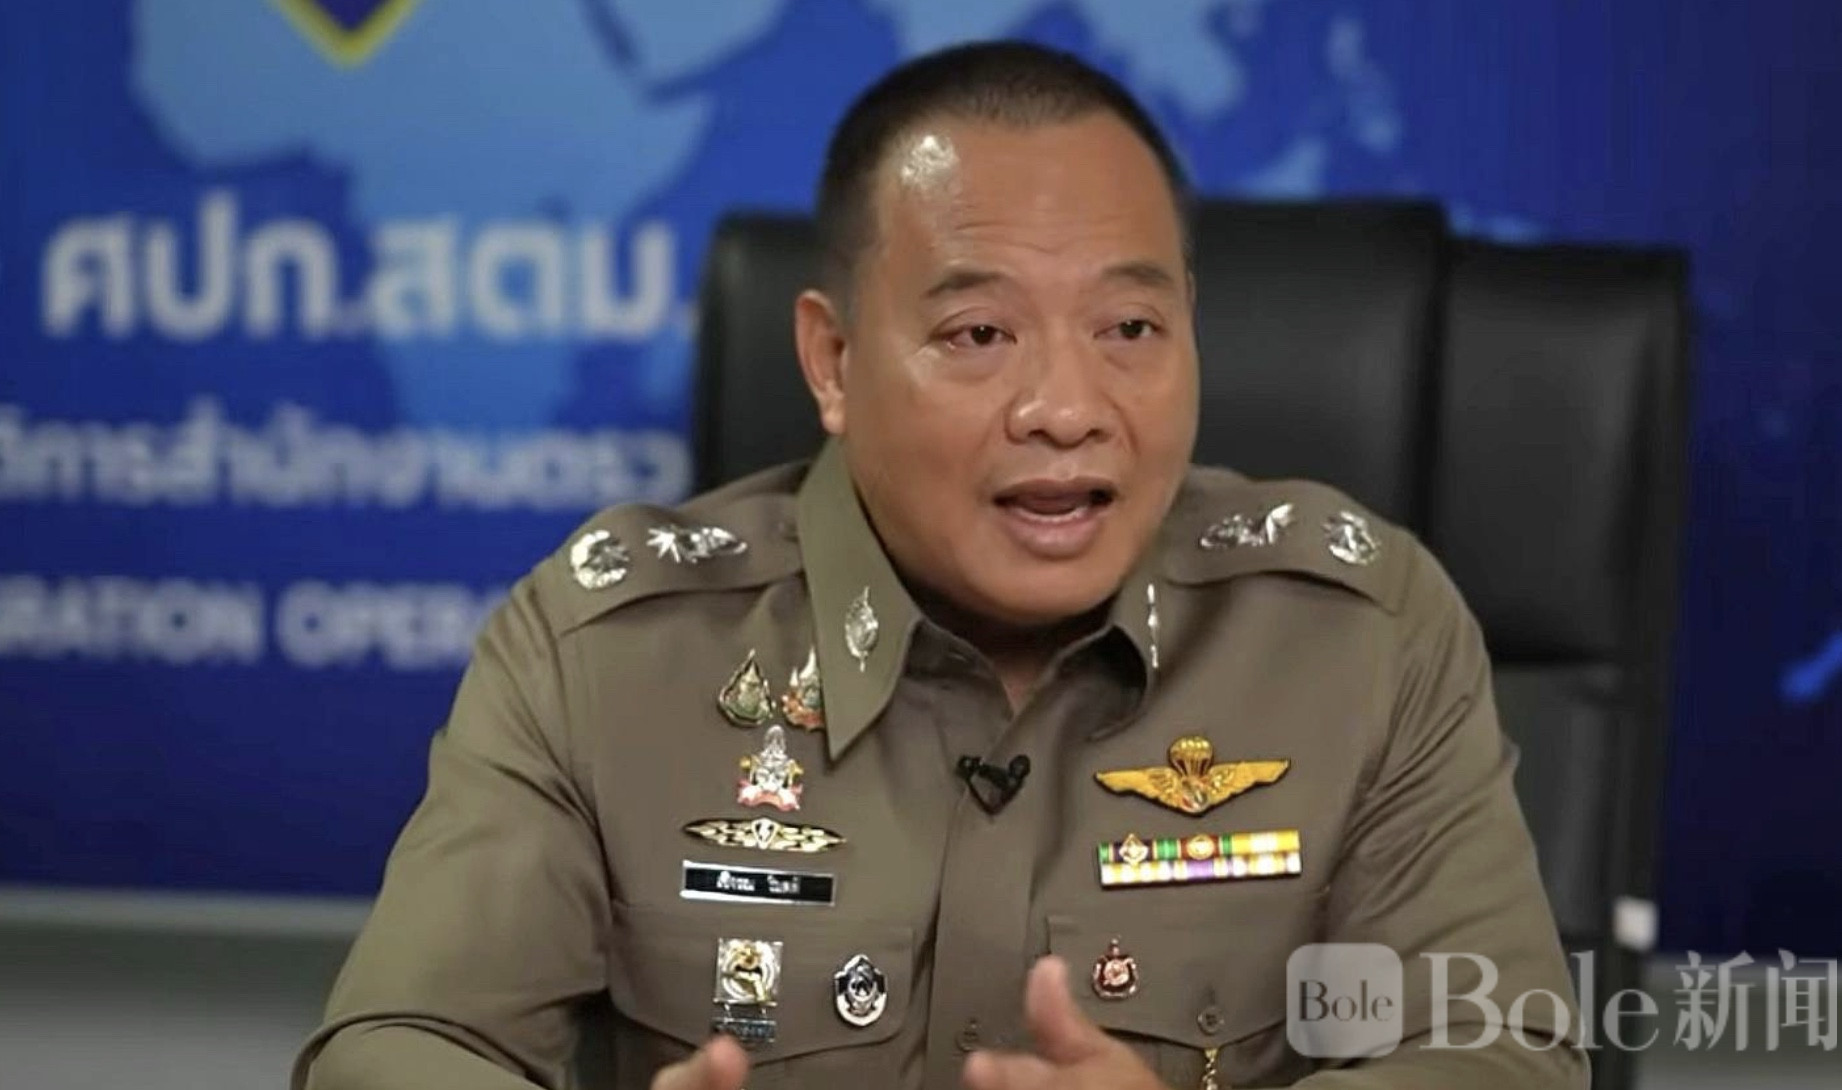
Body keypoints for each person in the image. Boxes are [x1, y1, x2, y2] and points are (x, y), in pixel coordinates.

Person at [294, 41, 1587, 1090]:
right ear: (833, 361)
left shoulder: (1360, 637)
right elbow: (396, 1042)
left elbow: (1502, 1054)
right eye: (978, 333)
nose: (1067, 407)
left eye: (1131, 327)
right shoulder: (605, 653)